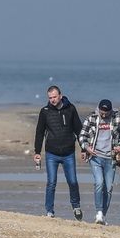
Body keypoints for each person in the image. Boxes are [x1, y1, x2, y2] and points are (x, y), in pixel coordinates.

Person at [33, 85, 83, 219]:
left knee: (72, 181)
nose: (52, 100)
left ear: (60, 96)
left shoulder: (71, 109)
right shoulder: (45, 111)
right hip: (51, 153)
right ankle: (49, 211)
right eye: (50, 98)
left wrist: (83, 148)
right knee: (51, 182)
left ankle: (76, 206)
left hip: (68, 152)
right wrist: (37, 151)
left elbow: (79, 130)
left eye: (54, 97)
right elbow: (39, 132)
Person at [79, 99, 120, 225]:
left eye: (106, 112)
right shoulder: (92, 117)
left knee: (109, 187)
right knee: (99, 183)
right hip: (96, 156)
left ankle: (103, 215)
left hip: (110, 157)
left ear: (110, 110)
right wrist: (86, 147)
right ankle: (99, 212)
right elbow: (82, 135)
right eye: (102, 112)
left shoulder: (117, 117)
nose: (104, 114)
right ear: (98, 109)